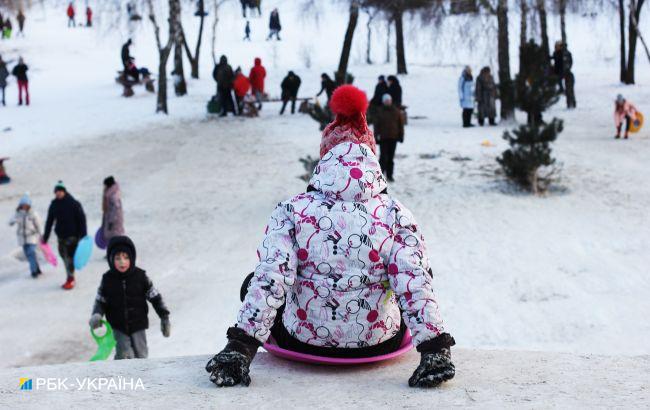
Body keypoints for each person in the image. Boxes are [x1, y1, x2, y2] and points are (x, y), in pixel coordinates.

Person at [205, 85, 455, 389]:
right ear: (371, 158)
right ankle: (431, 351)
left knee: (257, 280)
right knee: (412, 274)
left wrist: (240, 347)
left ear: (324, 158)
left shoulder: (292, 210)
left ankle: (247, 342)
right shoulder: (395, 213)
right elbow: (414, 278)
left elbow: (272, 277)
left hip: (302, 342)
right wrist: (435, 348)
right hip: (378, 343)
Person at [89, 236, 170, 359]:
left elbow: (155, 297)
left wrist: (164, 316)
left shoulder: (141, 277)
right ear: (111, 260)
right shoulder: (107, 279)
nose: (122, 262)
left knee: (141, 355)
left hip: (138, 325)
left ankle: (143, 376)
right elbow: (100, 301)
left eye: (126, 258)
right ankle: (124, 377)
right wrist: (97, 314)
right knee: (124, 356)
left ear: (132, 258)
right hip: (118, 327)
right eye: (117, 258)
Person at [43, 181, 87, 290]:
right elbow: (49, 221)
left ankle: (70, 279)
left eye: (60, 191)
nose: (58, 193)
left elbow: (81, 219)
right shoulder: (54, 205)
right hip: (61, 236)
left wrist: (83, 235)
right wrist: (46, 237)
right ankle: (70, 275)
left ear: (64, 191)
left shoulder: (73, 203)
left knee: (68, 258)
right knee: (63, 256)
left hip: (72, 236)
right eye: (56, 192)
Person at [9, 194, 43, 278]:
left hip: (32, 236)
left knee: (31, 252)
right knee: (28, 254)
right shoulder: (18, 214)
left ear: (29, 205)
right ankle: (37, 268)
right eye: (23, 204)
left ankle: (34, 271)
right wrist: (13, 220)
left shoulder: (33, 214)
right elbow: (10, 222)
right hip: (22, 238)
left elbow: (39, 224)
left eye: (26, 204)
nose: (24, 206)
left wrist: (41, 234)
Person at [374, 93, 404, 182]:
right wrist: (376, 137)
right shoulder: (380, 111)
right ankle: (380, 175)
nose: (388, 102)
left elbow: (400, 125)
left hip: (393, 137)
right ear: (384, 102)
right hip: (383, 137)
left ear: (391, 101)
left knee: (390, 158)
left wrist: (401, 135)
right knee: (383, 157)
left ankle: (390, 176)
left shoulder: (396, 111)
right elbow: (376, 126)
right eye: (386, 100)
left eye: (389, 100)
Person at [102, 176, 125, 243]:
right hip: (111, 220)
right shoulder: (110, 193)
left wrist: (111, 222)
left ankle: (114, 251)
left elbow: (116, 210)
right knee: (111, 237)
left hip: (114, 221)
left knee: (114, 237)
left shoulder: (113, 196)